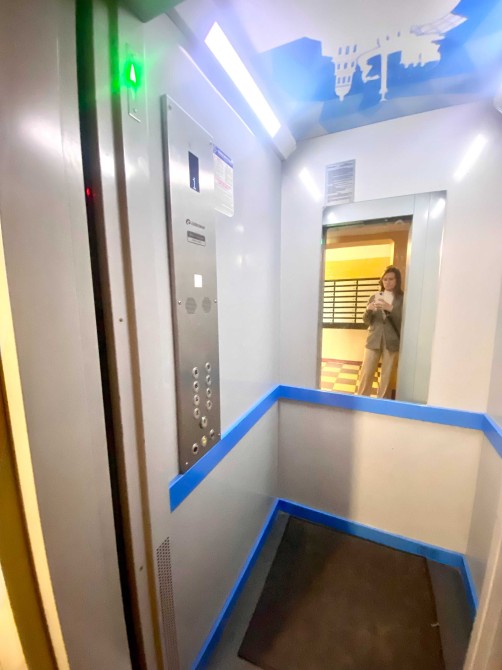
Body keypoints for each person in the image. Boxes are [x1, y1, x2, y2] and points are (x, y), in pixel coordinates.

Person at [357, 265, 403, 398]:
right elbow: (366, 321)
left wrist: (391, 308)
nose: (388, 282)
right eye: (385, 279)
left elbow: (404, 320)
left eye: (391, 279)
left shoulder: (402, 299)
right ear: (382, 281)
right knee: (366, 372)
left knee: (387, 375)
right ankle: (362, 399)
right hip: (373, 339)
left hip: (392, 340)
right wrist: (368, 310)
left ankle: (382, 402)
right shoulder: (374, 297)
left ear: (397, 280)